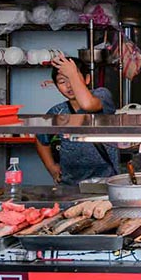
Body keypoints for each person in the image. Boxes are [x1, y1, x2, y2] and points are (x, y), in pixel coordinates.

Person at [36, 54, 118, 185]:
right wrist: (51, 167)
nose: (69, 86)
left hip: (107, 181)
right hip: (71, 184)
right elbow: (41, 139)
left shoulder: (102, 95)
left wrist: (72, 72)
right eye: (62, 82)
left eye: (72, 79)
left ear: (87, 79)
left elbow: (88, 105)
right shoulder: (58, 111)